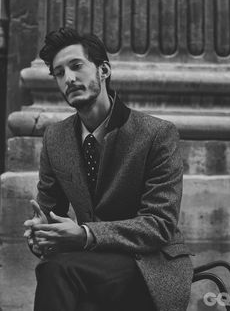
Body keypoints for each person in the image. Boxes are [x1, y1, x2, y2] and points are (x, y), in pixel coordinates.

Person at [24, 27, 193, 311]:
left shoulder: (156, 134)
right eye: (60, 73)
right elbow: (49, 212)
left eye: (77, 66)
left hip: (150, 264)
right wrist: (42, 236)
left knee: (59, 271)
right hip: (86, 266)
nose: (70, 78)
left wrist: (86, 234)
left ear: (104, 70)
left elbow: (159, 224)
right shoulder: (55, 138)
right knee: (63, 277)